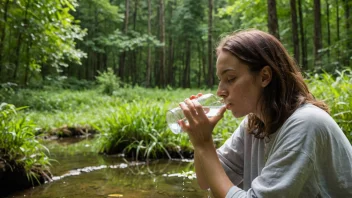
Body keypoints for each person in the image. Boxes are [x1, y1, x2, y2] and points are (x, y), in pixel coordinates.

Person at [178, 29, 352, 198]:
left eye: (230, 78)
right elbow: (206, 181)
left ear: (264, 77)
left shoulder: (306, 124)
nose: (220, 91)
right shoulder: (254, 124)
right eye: (220, 80)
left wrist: (205, 144)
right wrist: (199, 141)